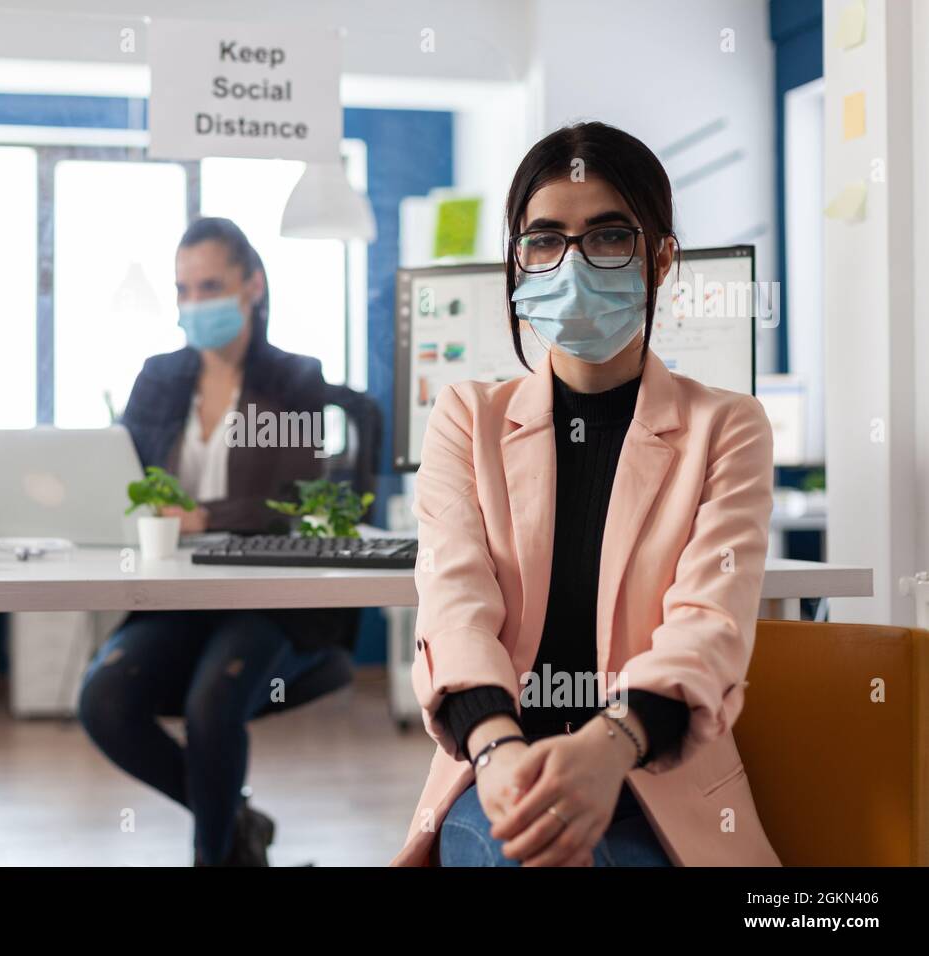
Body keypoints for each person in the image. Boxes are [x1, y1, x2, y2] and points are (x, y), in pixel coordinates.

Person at [392, 122, 779, 867]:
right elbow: (456, 610)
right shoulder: (467, 419)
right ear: (518, 262)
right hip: (496, 764)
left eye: (607, 237)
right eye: (544, 240)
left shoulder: (727, 426)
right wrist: (502, 751)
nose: (572, 264)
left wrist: (607, 748)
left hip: (656, 777)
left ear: (661, 259)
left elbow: (708, 629)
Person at [78, 217, 359, 866]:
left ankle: (212, 859)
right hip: (176, 593)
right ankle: (238, 827)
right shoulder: (158, 378)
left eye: (210, 285)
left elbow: (295, 496)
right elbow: (122, 480)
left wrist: (200, 516)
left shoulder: (296, 379)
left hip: (264, 594)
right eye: (183, 289)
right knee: (105, 700)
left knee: (212, 703)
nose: (194, 303)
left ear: (252, 285)